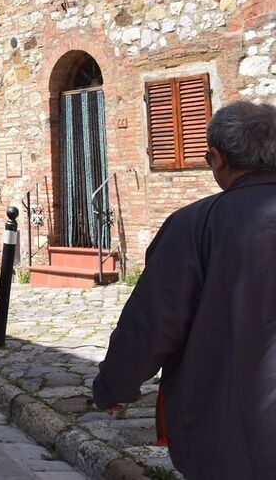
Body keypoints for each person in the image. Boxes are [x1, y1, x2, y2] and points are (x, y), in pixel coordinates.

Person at [92, 100, 276, 479]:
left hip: (228, 429)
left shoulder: (196, 225)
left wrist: (114, 388)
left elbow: (153, 322)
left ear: (217, 158)